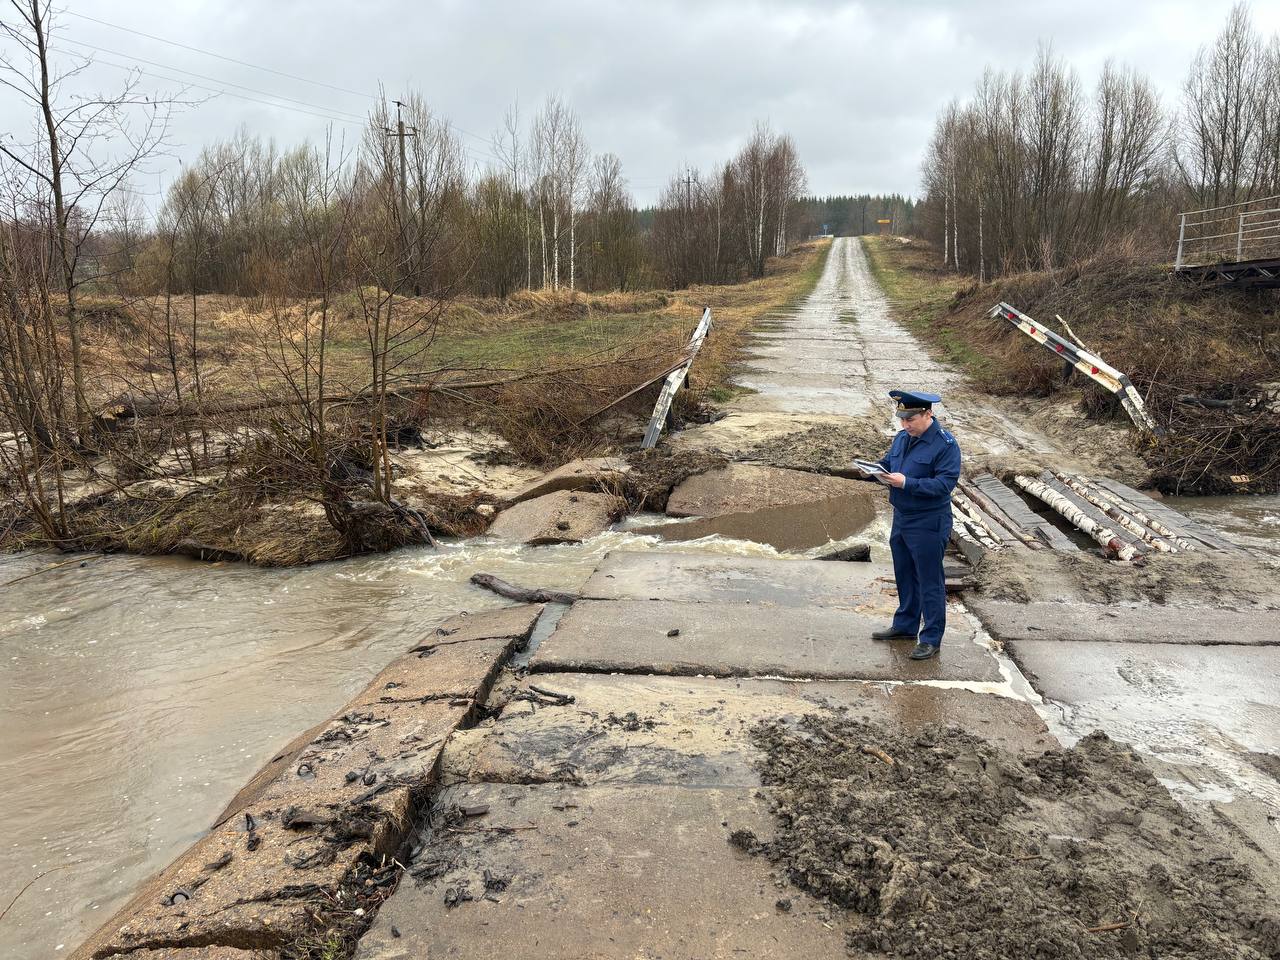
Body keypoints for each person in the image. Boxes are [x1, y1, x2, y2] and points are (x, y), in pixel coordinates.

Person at [858, 389, 961, 660]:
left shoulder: (945, 445)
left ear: (928, 414)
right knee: (905, 574)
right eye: (901, 420)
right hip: (902, 516)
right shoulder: (903, 438)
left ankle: (931, 638)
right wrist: (870, 471)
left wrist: (907, 483)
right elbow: (888, 464)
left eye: (910, 420)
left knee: (930, 581)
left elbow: (944, 485)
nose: (905, 425)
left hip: (929, 520)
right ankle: (905, 625)